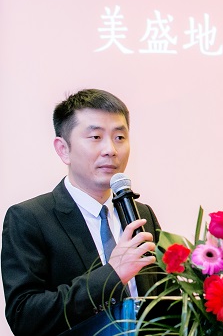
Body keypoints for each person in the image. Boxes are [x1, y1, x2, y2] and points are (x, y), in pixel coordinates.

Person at [1, 89, 161, 335]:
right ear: (63, 149)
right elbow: (24, 317)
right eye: (96, 137)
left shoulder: (141, 215)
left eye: (119, 137)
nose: (110, 149)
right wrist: (111, 275)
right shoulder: (29, 219)